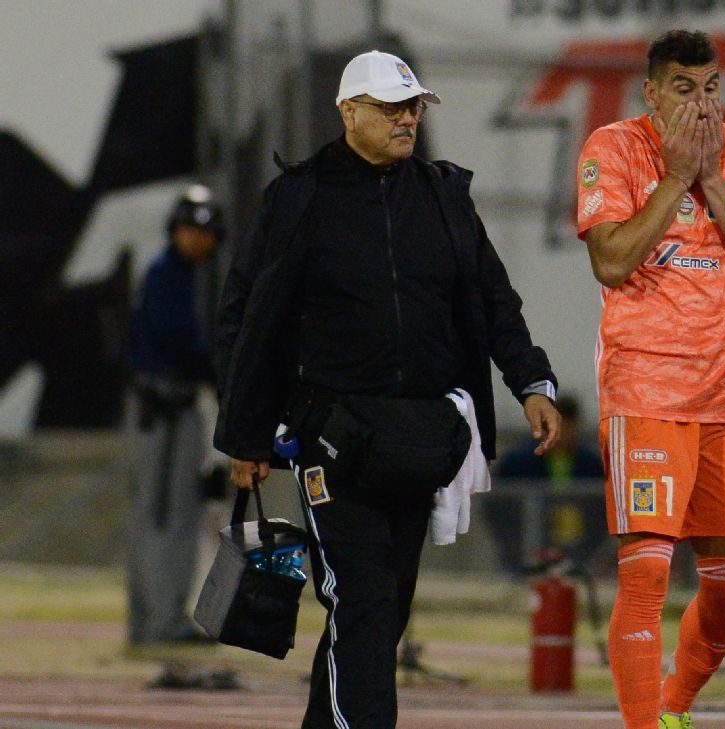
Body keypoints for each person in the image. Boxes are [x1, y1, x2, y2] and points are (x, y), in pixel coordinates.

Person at [213, 50, 561, 728]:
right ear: (349, 112)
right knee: (364, 604)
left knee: (381, 610)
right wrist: (245, 432)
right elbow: (248, 316)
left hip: (421, 436)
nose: (407, 119)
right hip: (332, 436)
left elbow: (492, 300)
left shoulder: (442, 195)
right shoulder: (300, 196)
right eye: (391, 107)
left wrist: (532, 381)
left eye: (414, 107)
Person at [575, 30, 725, 729]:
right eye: (684, 88)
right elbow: (611, 263)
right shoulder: (612, 147)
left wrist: (712, 179)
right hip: (646, 392)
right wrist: (673, 177)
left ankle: (675, 707)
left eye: (711, 87)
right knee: (646, 578)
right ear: (651, 93)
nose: (702, 103)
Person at [126, 185, 224, 645]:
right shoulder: (169, 273)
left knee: (161, 514)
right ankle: (161, 622)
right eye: (192, 229)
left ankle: (153, 620)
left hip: (166, 404)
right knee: (166, 516)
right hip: (163, 407)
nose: (199, 238)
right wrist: (218, 371)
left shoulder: (180, 274)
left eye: (205, 231)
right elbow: (175, 341)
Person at [486, 395, 606, 573]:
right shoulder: (517, 461)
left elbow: (600, 512)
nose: (562, 433)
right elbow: (495, 504)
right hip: (524, 549)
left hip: (576, 549)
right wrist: (514, 540)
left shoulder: (590, 463)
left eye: (567, 427)